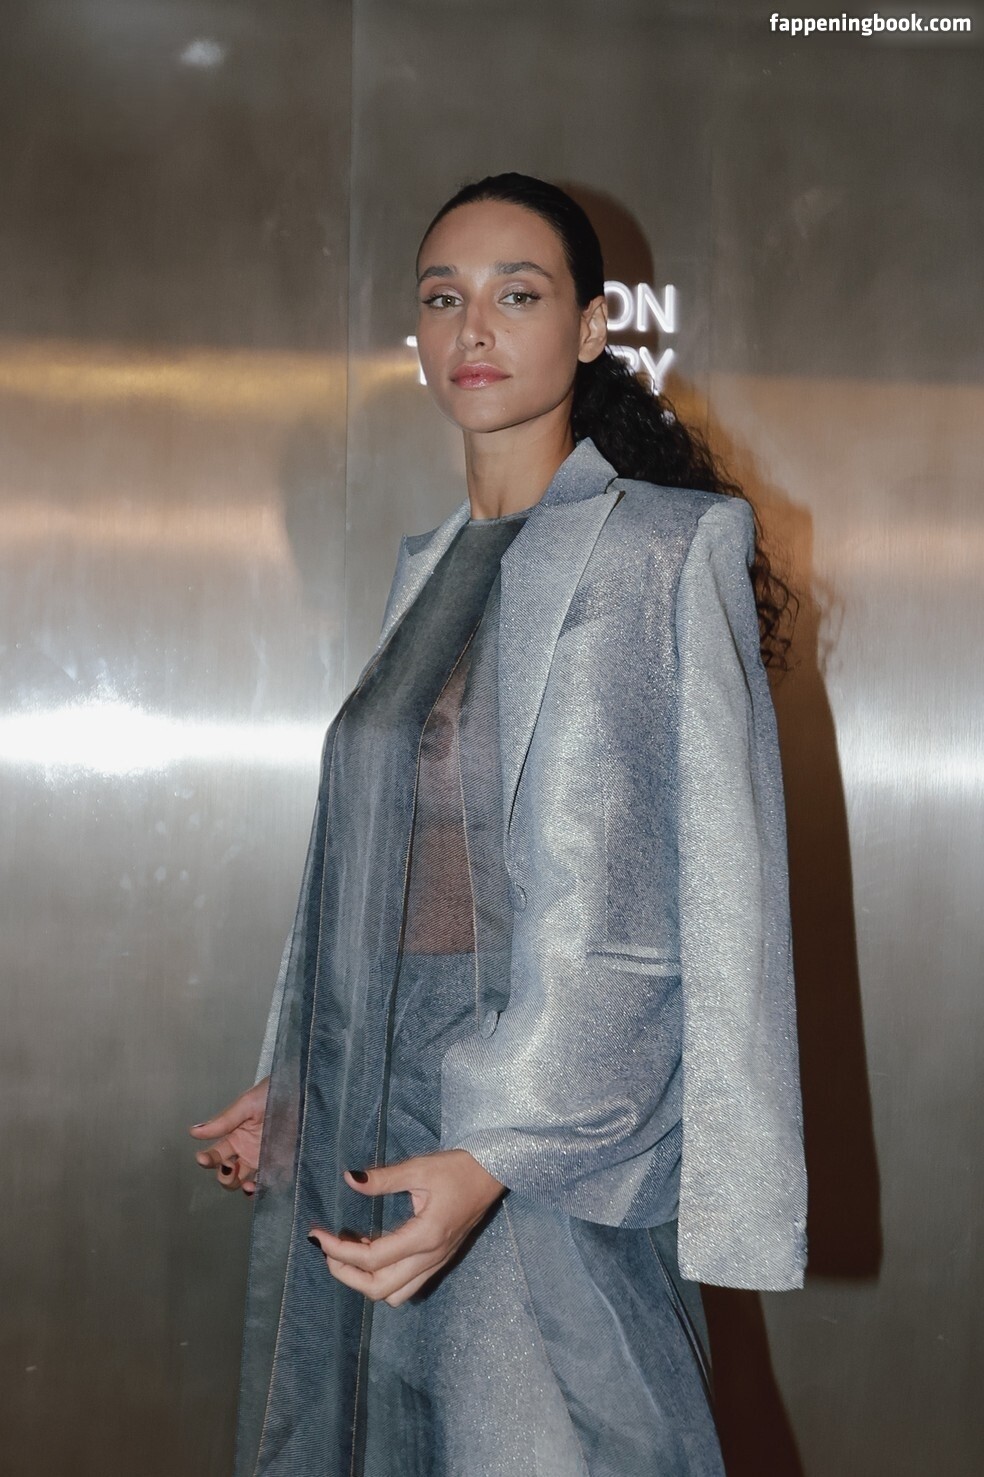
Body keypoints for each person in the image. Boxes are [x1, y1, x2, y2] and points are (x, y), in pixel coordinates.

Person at [191, 172, 807, 1477]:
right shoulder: (432, 567)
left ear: (590, 327)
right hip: (383, 1113)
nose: (473, 328)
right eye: (443, 298)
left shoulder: (667, 548)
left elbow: (684, 900)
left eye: (517, 296)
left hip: (553, 1125)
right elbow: (376, 866)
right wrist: (302, 1075)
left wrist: (498, 1150)